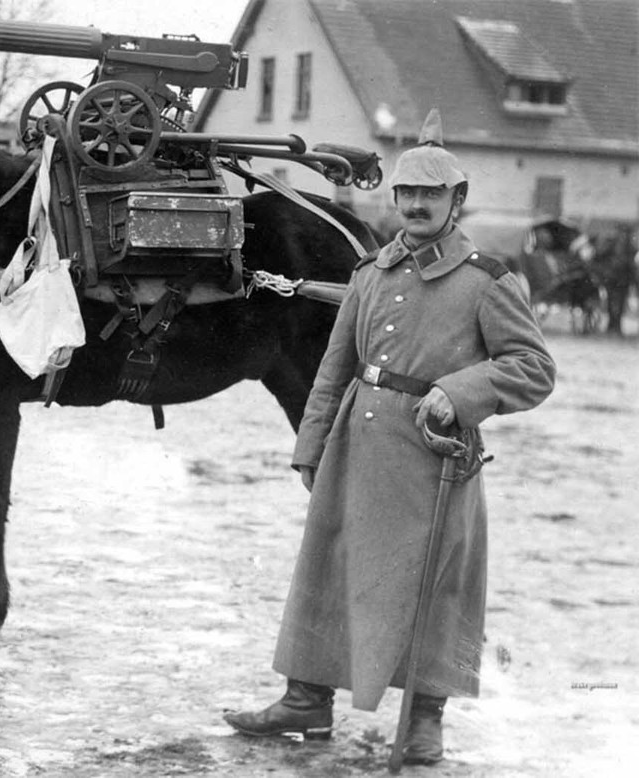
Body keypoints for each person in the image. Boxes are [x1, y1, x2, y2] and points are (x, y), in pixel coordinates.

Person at [222, 109, 556, 765]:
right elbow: (334, 368)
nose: (418, 205)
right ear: (394, 198)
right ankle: (306, 699)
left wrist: (458, 393)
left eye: (433, 194)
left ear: (456, 202)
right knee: (327, 566)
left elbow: (534, 368)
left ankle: (427, 716)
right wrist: (311, 444)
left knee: (434, 588)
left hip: (434, 459)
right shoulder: (370, 272)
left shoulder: (488, 279)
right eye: (408, 193)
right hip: (358, 442)